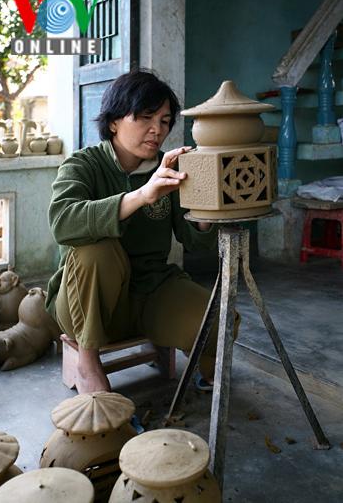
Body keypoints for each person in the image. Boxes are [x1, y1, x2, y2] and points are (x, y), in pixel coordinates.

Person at [46, 70, 235, 394]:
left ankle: (205, 367)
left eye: (164, 121)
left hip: (150, 293)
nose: (157, 130)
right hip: (86, 303)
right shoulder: (83, 164)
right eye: (146, 117)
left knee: (222, 322)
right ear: (115, 120)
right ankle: (89, 364)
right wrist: (141, 196)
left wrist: (207, 208)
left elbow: (195, 241)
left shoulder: (169, 169)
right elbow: (63, 222)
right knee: (97, 249)